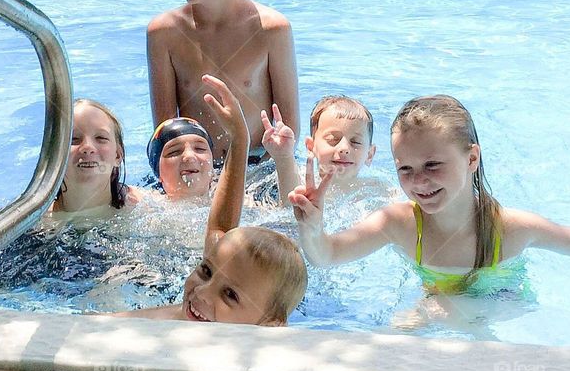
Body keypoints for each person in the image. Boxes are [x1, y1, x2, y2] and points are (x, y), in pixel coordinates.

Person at [289, 95, 570, 295]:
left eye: (432, 165)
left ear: (471, 158)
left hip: (504, 303)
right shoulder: (398, 224)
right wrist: (312, 227)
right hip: (436, 307)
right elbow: (327, 256)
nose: (419, 181)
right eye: (405, 168)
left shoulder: (512, 229)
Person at [114, 75, 307, 325]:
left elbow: (286, 221)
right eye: (205, 271)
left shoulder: (250, 201)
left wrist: (261, 149)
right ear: (158, 172)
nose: (201, 293)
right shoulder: (144, 200)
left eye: (230, 295)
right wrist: (240, 139)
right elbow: (219, 234)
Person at [146, 0, 299, 165]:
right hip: (197, 170)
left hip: (258, 167)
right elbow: (164, 134)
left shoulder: (272, 29)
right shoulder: (163, 33)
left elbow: (289, 128)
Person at [261, 96, 377, 205]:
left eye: (356, 142)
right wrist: (284, 157)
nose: (344, 148)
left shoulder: (376, 191)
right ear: (311, 147)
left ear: (370, 155)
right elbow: (289, 207)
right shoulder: (301, 181)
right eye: (332, 139)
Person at [51, 99, 140, 221]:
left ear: (118, 155)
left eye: (101, 137)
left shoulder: (144, 206)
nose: (87, 147)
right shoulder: (33, 220)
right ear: (56, 156)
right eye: (74, 139)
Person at [146, 117, 214, 202]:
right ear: (158, 172)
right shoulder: (146, 206)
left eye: (200, 148)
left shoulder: (233, 197)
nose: (189, 156)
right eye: (174, 151)